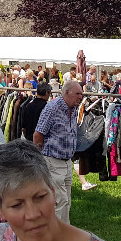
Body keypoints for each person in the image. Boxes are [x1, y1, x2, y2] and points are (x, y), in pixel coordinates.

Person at [33, 80, 83, 224]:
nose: (80, 97)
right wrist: (40, 160)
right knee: (58, 202)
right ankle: (54, 234)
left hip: (66, 162)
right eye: (77, 93)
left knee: (66, 201)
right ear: (67, 92)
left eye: (82, 94)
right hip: (52, 161)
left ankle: (64, 232)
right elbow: (38, 135)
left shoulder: (73, 109)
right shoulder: (52, 108)